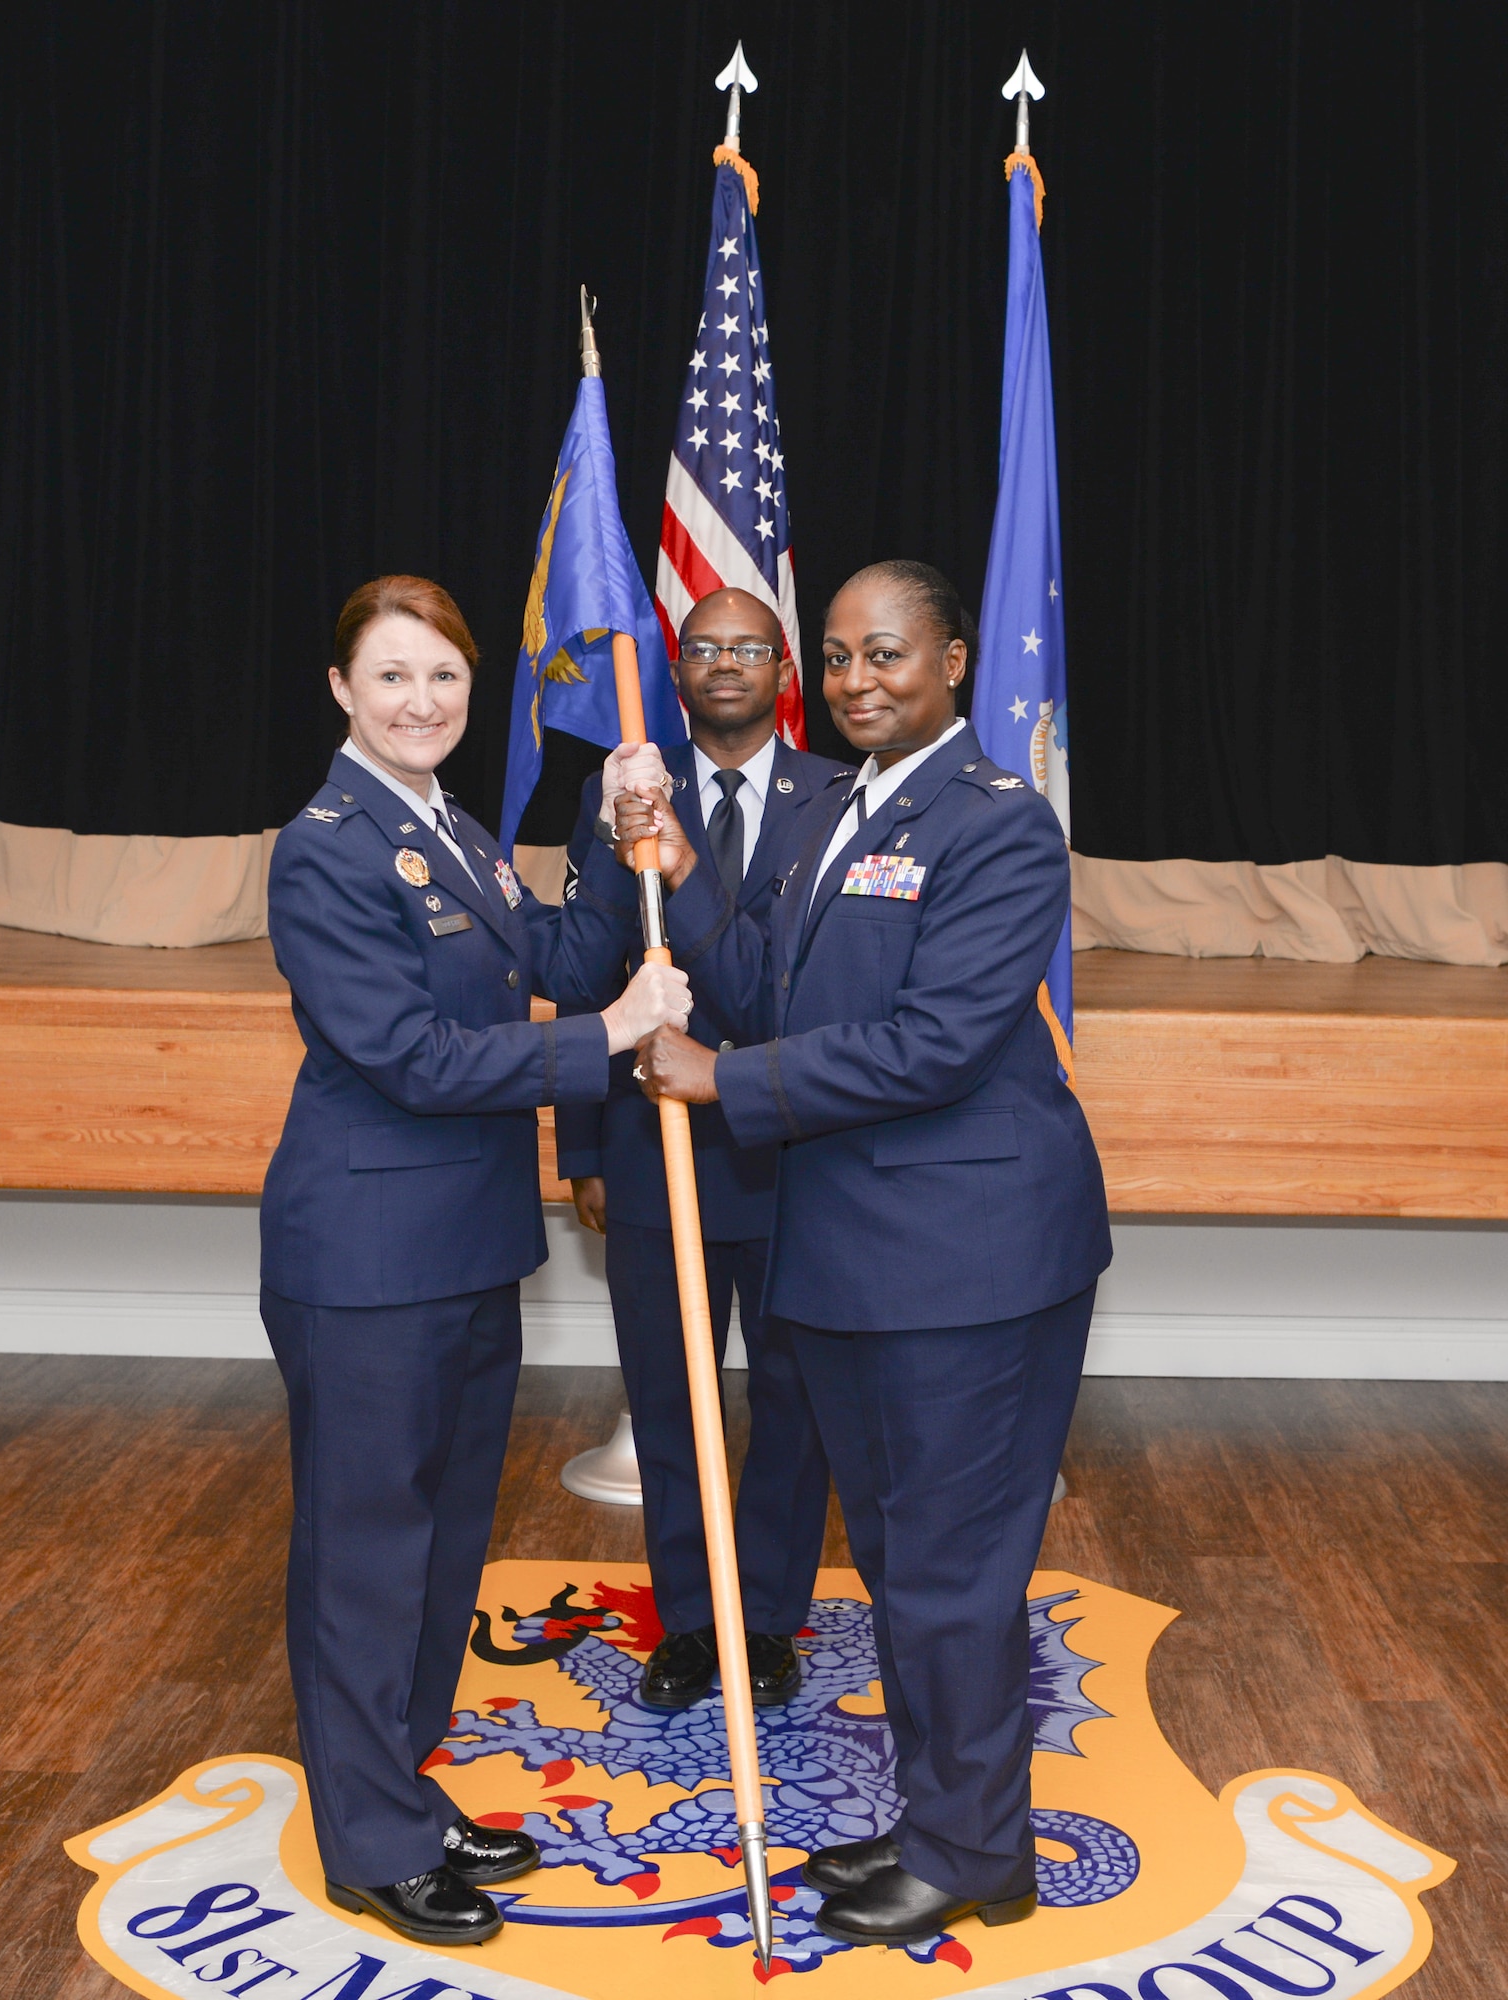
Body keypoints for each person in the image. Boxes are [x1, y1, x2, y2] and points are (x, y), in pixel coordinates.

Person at [608, 560, 1112, 1948]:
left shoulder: (999, 824)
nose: (854, 680)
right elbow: (763, 975)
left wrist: (725, 1084)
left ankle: (969, 1853)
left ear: (952, 663)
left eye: (885, 653)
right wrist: (677, 864)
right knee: (903, 1566)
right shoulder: (849, 810)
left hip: (967, 1262)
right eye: (832, 658)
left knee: (951, 1571)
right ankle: (956, 1823)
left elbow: (940, 1043)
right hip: (862, 1260)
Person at [260, 575, 688, 1951]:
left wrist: (610, 824)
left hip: (465, 1251)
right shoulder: (326, 846)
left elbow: (556, 950)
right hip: (367, 1258)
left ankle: (402, 1787)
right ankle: (369, 1845)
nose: (421, 702)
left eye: (442, 678)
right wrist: (616, 1033)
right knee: (366, 1557)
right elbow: (411, 1058)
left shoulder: (452, 830)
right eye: (392, 678)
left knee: (443, 1554)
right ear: (342, 691)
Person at [556, 587, 851, 1711]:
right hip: (651, 1147)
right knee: (669, 1398)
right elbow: (584, 972)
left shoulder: (837, 796)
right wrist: (580, 1140)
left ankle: (765, 1620)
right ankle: (689, 1621)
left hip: (793, 1153)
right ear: (674, 669)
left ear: (784, 669)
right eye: (702, 646)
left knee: (791, 1402)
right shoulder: (625, 790)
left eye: (749, 647)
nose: (724, 663)